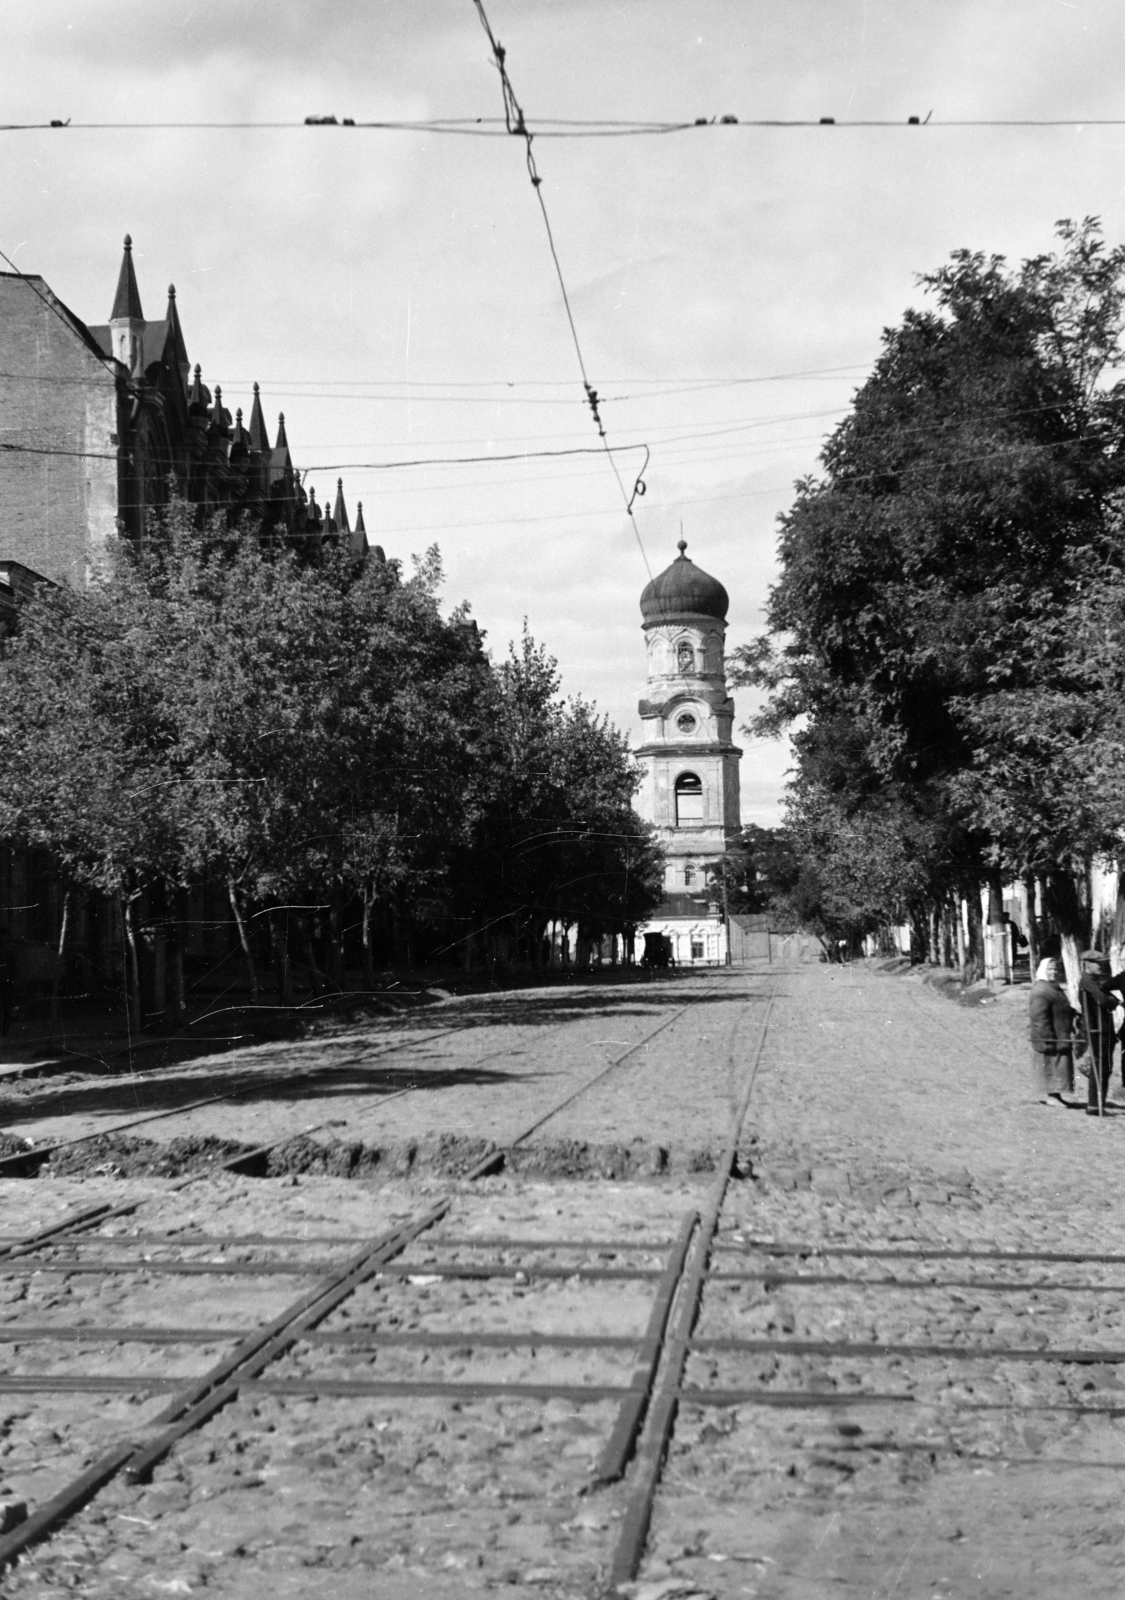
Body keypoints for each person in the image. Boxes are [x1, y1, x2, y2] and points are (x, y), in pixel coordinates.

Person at [1078, 950, 1125, 1117]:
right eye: (1098, 963)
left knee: (1105, 1067)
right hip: (1096, 1030)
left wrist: (1117, 1001)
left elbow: (1107, 994)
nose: (1101, 966)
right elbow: (1104, 1000)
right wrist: (1114, 1002)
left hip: (1103, 1029)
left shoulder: (1094, 981)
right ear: (1088, 965)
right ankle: (1094, 1105)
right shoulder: (1087, 981)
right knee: (1099, 1067)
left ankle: (1099, 1103)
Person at [1028, 956, 1076, 1107]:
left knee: (1059, 1067)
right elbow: (1039, 1017)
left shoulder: (1053, 987)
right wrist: (1048, 1038)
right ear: (1043, 970)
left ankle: (1056, 1096)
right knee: (1051, 1066)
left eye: (1056, 969)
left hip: (1060, 1034)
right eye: (1050, 969)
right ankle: (1052, 1097)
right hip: (1050, 1036)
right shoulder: (1041, 990)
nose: (1053, 972)